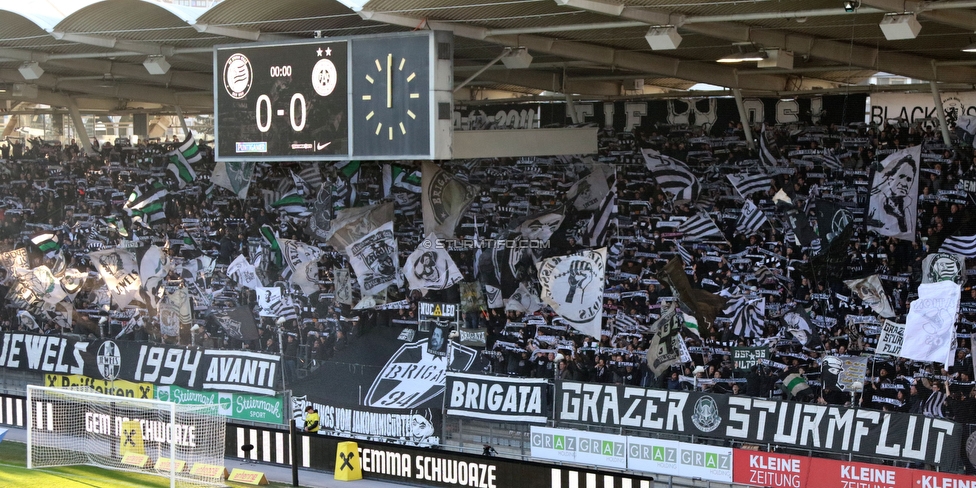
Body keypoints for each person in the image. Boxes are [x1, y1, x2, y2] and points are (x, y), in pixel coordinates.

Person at [867, 154, 917, 238]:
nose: (904, 184)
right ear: (890, 178)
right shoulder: (875, 197)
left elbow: (908, 232)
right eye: (901, 177)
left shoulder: (907, 205)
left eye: (909, 180)